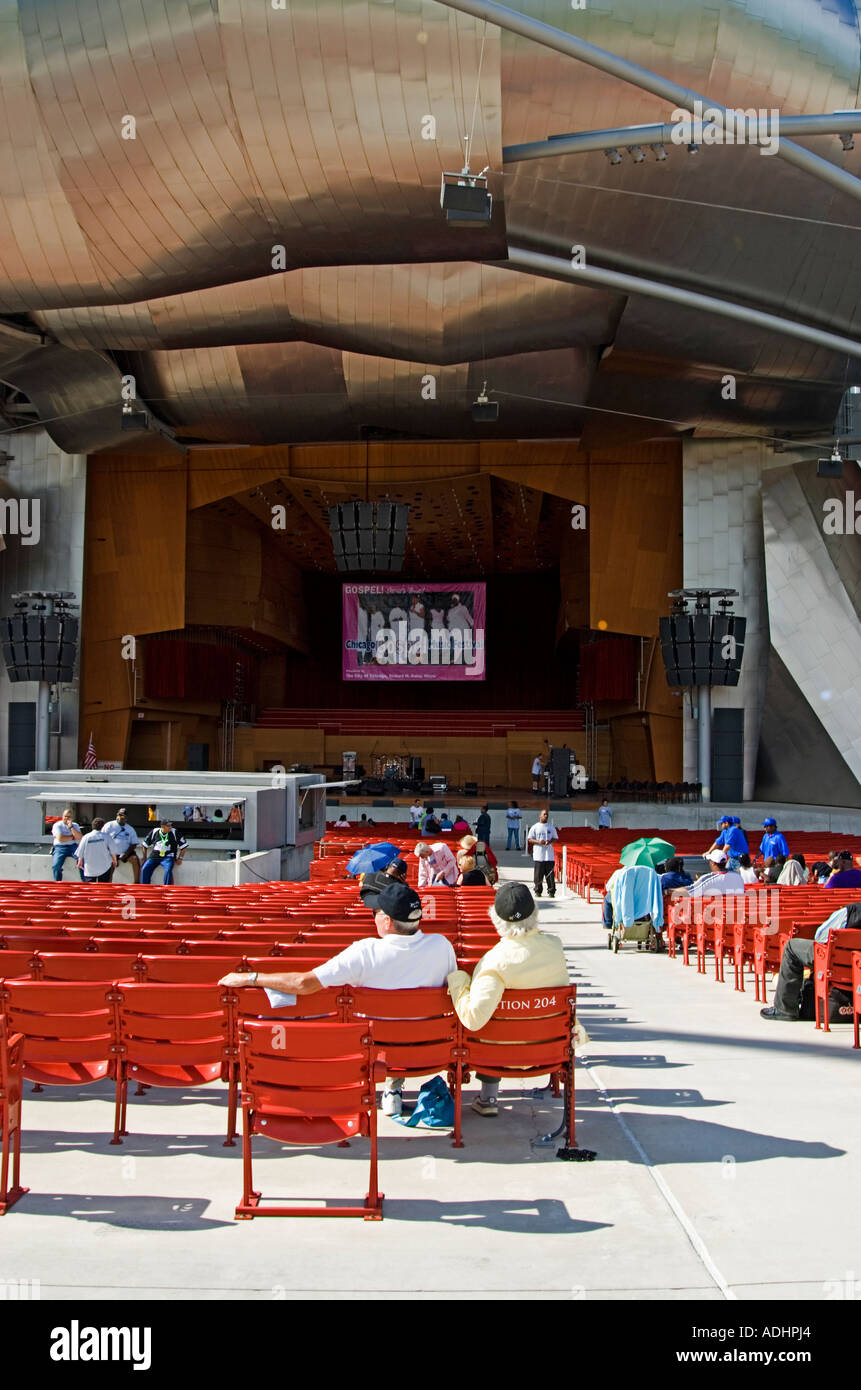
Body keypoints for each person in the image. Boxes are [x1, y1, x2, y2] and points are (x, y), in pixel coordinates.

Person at [219, 882, 457, 1117]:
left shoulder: (365, 952)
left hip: (372, 1051)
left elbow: (304, 984)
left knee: (383, 1025)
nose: (372, 917)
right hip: (427, 1049)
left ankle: (391, 1090)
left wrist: (252, 978)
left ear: (387, 921)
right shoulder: (442, 947)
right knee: (404, 1022)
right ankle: (393, 1090)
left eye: (375, 913)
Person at [447, 882, 571, 1116]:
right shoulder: (555, 948)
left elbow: (474, 1018)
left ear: (496, 919)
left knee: (493, 1026)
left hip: (502, 1053)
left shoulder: (495, 961)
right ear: (535, 913)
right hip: (550, 1046)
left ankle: (488, 1096)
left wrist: (459, 981)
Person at [761, 902, 861, 1020]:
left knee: (791, 947)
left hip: (832, 962)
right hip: (857, 967)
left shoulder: (850, 912)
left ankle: (785, 1009)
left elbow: (820, 937)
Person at [141, 819, 187, 885]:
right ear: (162, 826)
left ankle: (167, 888)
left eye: (171, 825)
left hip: (168, 856)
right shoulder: (155, 831)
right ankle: (144, 887)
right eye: (168, 826)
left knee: (168, 870)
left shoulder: (174, 832)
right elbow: (144, 845)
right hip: (154, 856)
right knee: (145, 868)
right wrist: (144, 857)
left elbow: (184, 846)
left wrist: (180, 858)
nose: (170, 827)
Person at [102, 808, 142, 884]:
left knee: (135, 859)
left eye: (122, 816)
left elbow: (134, 843)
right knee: (110, 863)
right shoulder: (109, 825)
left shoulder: (130, 829)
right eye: (119, 815)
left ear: (126, 818)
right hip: (111, 852)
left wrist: (126, 854)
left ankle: (137, 882)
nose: (120, 817)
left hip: (126, 853)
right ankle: (108, 883)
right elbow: (103, 839)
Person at [527, 808, 559, 898]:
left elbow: (555, 837)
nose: (546, 816)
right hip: (539, 855)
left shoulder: (550, 827)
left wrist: (550, 841)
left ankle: (551, 891)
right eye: (544, 814)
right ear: (540, 815)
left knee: (550, 874)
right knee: (538, 875)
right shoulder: (535, 827)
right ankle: (538, 890)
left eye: (547, 814)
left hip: (549, 855)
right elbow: (530, 839)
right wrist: (538, 842)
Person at [75, 818, 117, 884]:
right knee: (103, 887)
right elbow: (113, 851)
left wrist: (80, 861)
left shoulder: (86, 837)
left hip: (90, 868)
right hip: (105, 867)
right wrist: (114, 860)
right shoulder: (107, 837)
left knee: (90, 890)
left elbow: (80, 852)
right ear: (102, 827)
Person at [51, 808, 82, 881]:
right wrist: (72, 837)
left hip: (73, 846)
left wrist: (71, 827)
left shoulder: (75, 825)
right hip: (60, 847)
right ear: (62, 816)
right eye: (65, 816)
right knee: (56, 866)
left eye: (68, 817)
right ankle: (58, 881)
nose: (66, 818)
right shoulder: (57, 825)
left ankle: (84, 881)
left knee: (82, 860)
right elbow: (60, 838)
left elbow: (79, 837)